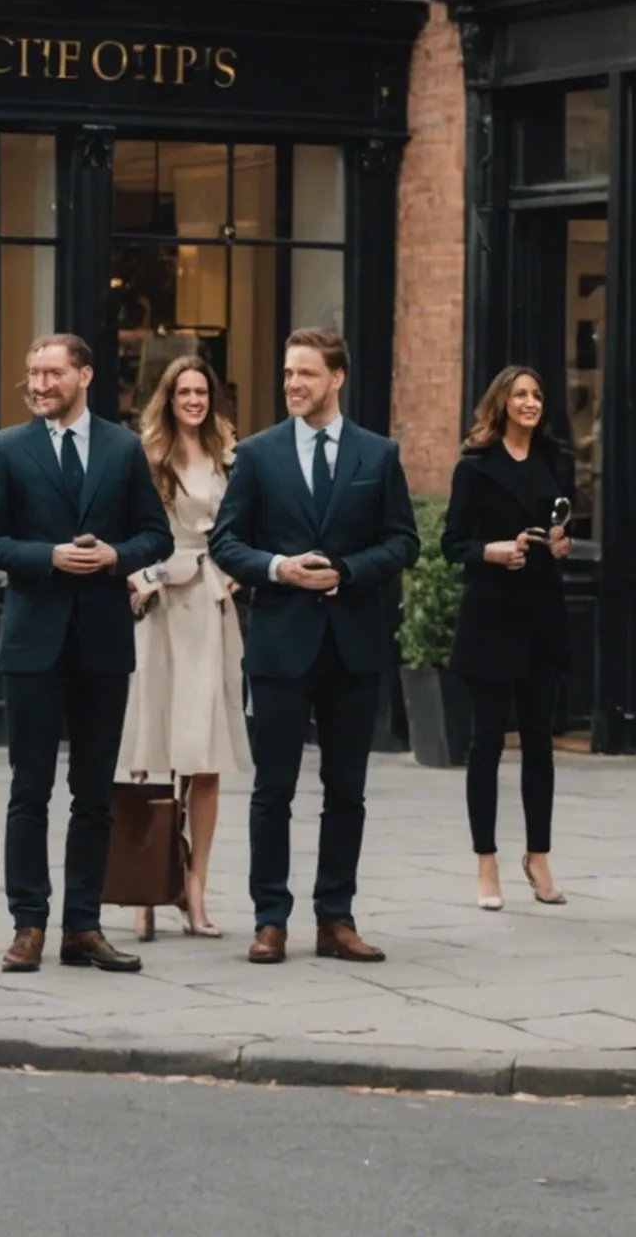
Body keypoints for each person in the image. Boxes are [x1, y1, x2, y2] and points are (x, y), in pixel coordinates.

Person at [210, 327, 418, 966]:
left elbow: (403, 541)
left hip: (352, 647)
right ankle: (269, 919)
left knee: (346, 792)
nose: (293, 384)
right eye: (288, 372)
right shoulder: (260, 454)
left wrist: (348, 572)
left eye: (305, 373)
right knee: (273, 790)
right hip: (278, 645)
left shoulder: (377, 455)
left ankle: (337, 919)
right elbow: (226, 542)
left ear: (337, 378)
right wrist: (279, 568)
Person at [0, 333, 173, 974]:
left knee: (93, 795)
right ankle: (28, 923)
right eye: (32, 373)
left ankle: (83, 926)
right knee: (29, 791)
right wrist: (47, 557)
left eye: (51, 373)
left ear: (83, 375)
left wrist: (118, 556)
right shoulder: (6, 449)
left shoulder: (122, 447)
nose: (39, 384)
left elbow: (156, 535)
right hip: (32, 641)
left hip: (103, 642)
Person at [440, 365, 578, 912]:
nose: (530, 402)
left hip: (542, 610)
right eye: (520, 394)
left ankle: (538, 855)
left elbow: (563, 527)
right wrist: (492, 551)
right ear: (501, 402)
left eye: (537, 395)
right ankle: (486, 862)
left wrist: (562, 544)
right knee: (487, 742)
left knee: (540, 742)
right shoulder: (474, 467)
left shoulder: (554, 461)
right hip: (491, 614)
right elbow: (452, 543)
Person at [120, 353, 248, 941]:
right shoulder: (145, 455)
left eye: (201, 391)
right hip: (159, 606)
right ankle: (147, 887)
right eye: (183, 392)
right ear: (167, 399)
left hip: (210, 607)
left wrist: (241, 569)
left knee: (205, 756)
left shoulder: (230, 454)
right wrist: (138, 577)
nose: (193, 400)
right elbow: (126, 529)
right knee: (153, 744)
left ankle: (195, 890)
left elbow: (248, 528)